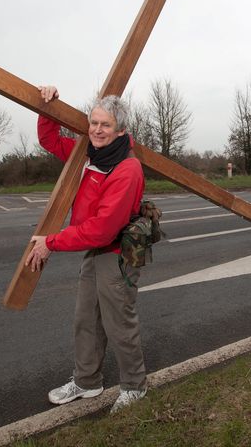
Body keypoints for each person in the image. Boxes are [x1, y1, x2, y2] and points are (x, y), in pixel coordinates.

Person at [25, 86, 147, 414]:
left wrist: (51, 242)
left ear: (120, 130)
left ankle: (135, 386)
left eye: (106, 125)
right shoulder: (88, 153)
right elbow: (49, 140)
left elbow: (103, 229)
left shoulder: (127, 169)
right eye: (94, 122)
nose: (97, 129)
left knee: (118, 323)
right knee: (86, 320)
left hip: (116, 254)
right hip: (94, 251)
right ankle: (87, 381)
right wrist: (48, 105)